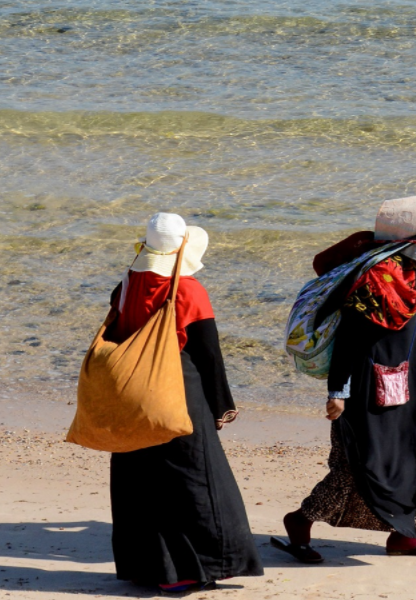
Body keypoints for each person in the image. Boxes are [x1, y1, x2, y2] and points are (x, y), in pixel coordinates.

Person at [273, 196, 416, 562]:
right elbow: (351, 339)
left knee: (413, 451)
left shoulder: (408, 269)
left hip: (402, 380)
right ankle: (300, 521)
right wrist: (338, 392)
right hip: (366, 387)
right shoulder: (378, 279)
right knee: (360, 465)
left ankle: (404, 535)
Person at [103, 213, 263, 592]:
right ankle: (189, 572)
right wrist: (221, 406)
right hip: (178, 391)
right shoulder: (189, 290)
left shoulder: (126, 284)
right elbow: (208, 354)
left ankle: (146, 569)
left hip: (133, 393)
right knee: (194, 479)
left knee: (138, 480)